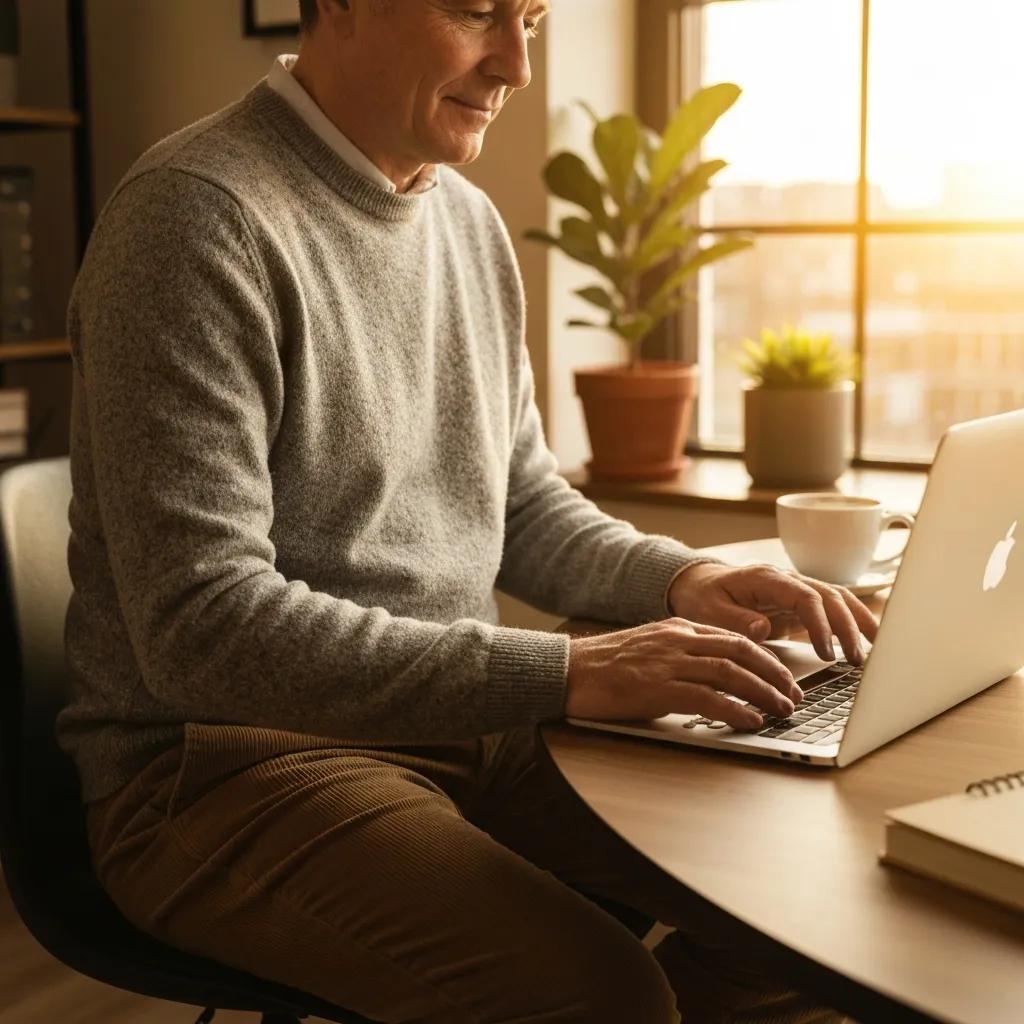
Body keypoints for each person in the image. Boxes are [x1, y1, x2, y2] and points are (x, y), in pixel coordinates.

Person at [63, 1, 876, 1021]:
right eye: (476, 12)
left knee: (797, 911)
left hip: (458, 729)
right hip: (224, 767)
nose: (517, 65)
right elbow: (203, 629)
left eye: (531, 17)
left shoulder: (465, 221)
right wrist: (570, 672)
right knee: (598, 995)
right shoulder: (192, 217)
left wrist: (682, 579)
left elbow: (519, 503)